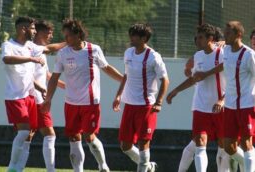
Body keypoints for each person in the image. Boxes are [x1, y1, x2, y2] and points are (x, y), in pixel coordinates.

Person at [41, 19, 123, 172]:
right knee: (73, 138)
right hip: (71, 103)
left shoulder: (93, 50)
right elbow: (54, 78)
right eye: (64, 36)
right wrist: (48, 99)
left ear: (79, 35)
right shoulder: (63, 53)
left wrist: (123, 79)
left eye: (68, 36)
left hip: (90, 102)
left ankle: (102, 165)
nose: (65, 40)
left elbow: (106, 68)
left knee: (89, 137)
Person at [2, 16, 65, 172]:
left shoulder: (31, 46)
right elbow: (6, 59)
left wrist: (70, 42)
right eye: (32, 28)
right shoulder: (8, 45)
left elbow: (50, 49)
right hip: (16, 96)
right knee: (27, 132)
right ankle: (12, 168)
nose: (34, 31)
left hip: (30, 96)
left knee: (27, 134)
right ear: (23, 29)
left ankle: (17, 168)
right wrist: (31, 59)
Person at [166, 23, 229, 172]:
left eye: (200, 37)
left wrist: (222, 100)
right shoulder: (198, 56)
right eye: (196, 37)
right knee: (200, 143)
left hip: (219, 107)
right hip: (200, 106)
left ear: (210, 39)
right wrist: (176, 90)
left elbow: (227, 70)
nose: (197, 40)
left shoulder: (222, 53)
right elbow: (195, 78)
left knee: (224, 146)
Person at [112, 23, 169, 172]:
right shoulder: (128, 53)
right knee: (125, 146)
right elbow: (126, 75)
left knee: (143, 143)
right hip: (129, 105)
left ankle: (144, 167)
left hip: (146, 107)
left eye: (134, 35)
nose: (131, 38)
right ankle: (148, 166)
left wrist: (159, 102)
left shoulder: (153, 57)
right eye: (131, 35)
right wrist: (118, 95)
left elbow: (165, 79)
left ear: (144, 38)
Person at [222, 21, 255, 172]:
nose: (225, 35)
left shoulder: (249, 54)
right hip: (229, 105)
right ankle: (250, 165)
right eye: (225, 32)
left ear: (239, 35)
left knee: (246, 144)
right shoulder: (226, 51)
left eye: (228, 33)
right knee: (228, 146)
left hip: (246, 105)